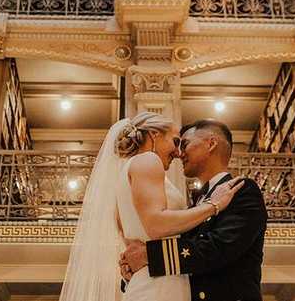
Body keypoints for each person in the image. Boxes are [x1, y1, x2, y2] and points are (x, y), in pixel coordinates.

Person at [58, 113, 246, 301]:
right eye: (175, 141)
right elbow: (157, 226)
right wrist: (213, 205)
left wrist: (136, 262)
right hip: (161, 284)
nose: (178, 152)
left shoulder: (125, 175)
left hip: (149, 279)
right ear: (154, 134)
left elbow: (132, 244)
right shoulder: (148, 160)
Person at [121, 119, 268, 301]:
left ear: (211, 143)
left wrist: (150, 256)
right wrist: (136, 271)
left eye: (185, 144)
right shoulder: (196, 204)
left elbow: (219, 247)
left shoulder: (241, 190)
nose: (179, 153)